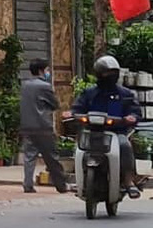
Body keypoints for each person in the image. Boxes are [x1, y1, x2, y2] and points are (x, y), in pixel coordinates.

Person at [70, 54, 142, 199]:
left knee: (125, 146)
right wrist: (71, 113)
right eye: (107, 72)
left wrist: (131, 117)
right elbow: (78, 108)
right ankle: (81, 180)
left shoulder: (125, 94)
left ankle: (128, 182)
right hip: (92, 132)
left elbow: (135, 112)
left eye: (113, 73)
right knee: (79, 150)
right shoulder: (89, 93)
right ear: (98, 74)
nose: (110, 76)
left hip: (117, 133)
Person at [19, 58, 69, 194]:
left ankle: (28, 184)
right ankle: (61, 185)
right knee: (51, 157)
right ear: (41, 71)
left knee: (29, 156)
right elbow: (55, 104)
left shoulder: (25, 85)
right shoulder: (45, 86)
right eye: (47, 70)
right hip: (42, 126)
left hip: (27, 126)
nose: (48, 72)